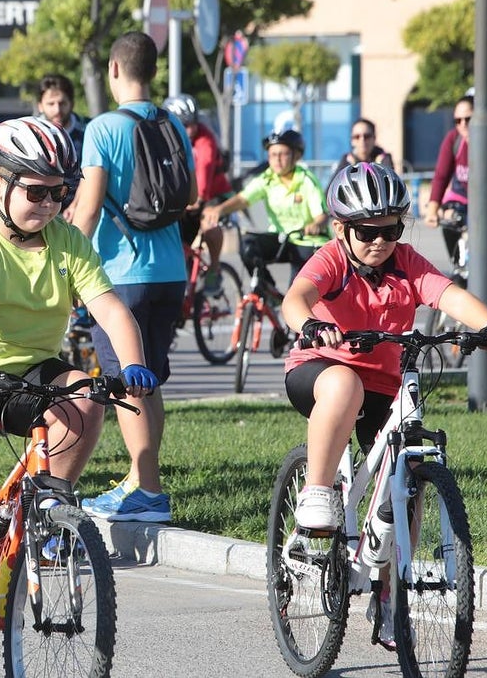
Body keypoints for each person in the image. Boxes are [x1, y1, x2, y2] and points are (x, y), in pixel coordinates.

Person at [0, 116, 156, 677]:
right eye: (37, 192)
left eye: (59, 193)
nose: (50, 204)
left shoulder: (68, 241)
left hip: (29, 371)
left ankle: (50, 509)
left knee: (88, 392)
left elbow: (112, 309)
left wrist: (135, 366)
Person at [280, 163, 487, 645]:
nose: (380, 241)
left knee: (409, 467)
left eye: (391, 230)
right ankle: (317, 492)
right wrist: (310, 324)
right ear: (341, 229)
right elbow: (297, 297)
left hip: (381, 384)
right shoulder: (331, 259)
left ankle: (389, 594)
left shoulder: (408, 263)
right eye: (366, 231)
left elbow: (450, 297)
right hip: (319, 371)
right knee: (344, 385)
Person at [70, 31, 195, 524]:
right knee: (149, 379)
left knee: (126, 381)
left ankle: (148, 492)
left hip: (121, 275)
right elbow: (185, 196)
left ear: (115, 70)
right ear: (154, 71)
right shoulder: (175, 125)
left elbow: (90, 204)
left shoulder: (102, 128)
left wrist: (67, 260)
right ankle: (141, 479)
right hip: (170, 271)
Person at [203, 129, 329, 283]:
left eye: (283, 154)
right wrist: (219, 210)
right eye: (272, 155)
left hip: (306, 240)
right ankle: (267, 292)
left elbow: (322, 216)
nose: (277, 160)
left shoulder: (307, 180)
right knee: (248, 245)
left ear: (296, 156)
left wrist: (315, 225)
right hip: (280, 238)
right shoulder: (267, 178)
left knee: (296, 289)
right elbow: (243, 199)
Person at [164, 93, 233, 295]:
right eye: (184, 125)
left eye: (193, 123)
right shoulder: (165, 141)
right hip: (187, 195)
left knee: (209, 223)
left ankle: (214, 268)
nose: (191, 129)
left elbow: (201, 187)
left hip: (214, 193)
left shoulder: (205, 141)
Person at [425, 95, 473, 266]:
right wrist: (432, 210)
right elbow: (441, 175)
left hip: (486, 203)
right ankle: (459, 266)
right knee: (451, 219)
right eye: (457, 120)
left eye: (468, 119)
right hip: (463, 199)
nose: (463, 124)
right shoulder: (454, 139)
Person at [35, 73, 88, 214]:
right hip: (43, 210)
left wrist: (78, 205)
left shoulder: (89, 130)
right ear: (40, 106)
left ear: (71, 103)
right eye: (51, 104)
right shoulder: (32, 134)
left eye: (62, 103)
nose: (57, 110)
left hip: (82, 209)